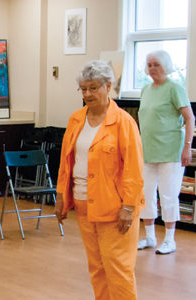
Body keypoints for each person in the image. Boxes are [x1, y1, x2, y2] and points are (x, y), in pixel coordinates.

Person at [55, 60, 144, 299]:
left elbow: (134, 171)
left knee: (119, 269)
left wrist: (128, 206)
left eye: (93, 88)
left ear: (108, 86)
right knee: (97, 268)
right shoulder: (76, 119)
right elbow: (66, 163)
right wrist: (61, 196)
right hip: (84, 207)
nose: (87, 94)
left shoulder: (124, 122)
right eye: (83, 89)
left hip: (115, 209)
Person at [137, 50, 195, 255]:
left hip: (171, 151)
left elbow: (190, 119)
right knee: (145, 194)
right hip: (148, 152)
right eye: (150, 64)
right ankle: (150, 236)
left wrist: (187, 146)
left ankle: (170, 239)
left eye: (157, 64)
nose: (152, 68)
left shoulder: (174, 89)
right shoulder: (145, 90)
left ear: (166, 66)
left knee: (169, 195)